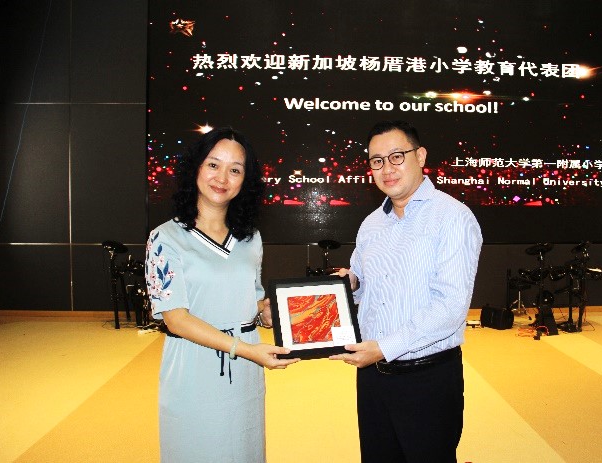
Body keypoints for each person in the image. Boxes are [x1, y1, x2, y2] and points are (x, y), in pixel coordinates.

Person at [330, 120, 483, 463]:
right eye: (377, 161)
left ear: (421, 156)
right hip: (372, 377)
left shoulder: (453, 218)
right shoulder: (371, 224)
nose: (387, 169)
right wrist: (350, 283)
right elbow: (364, 285)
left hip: (426, 379)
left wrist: (384, 348)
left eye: (397, 156)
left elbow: (451, 307)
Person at [145, 126, 299, 462]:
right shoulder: (165, 238)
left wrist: (267, 312)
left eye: (235, 169)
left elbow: (252, 302)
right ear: (196, 168)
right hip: (195, 368)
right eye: (213, 165)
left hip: (245, 371)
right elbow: (176, 319)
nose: (222, 177)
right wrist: (243, 348)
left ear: (246, 180)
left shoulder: (250, 238)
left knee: (242, 450)